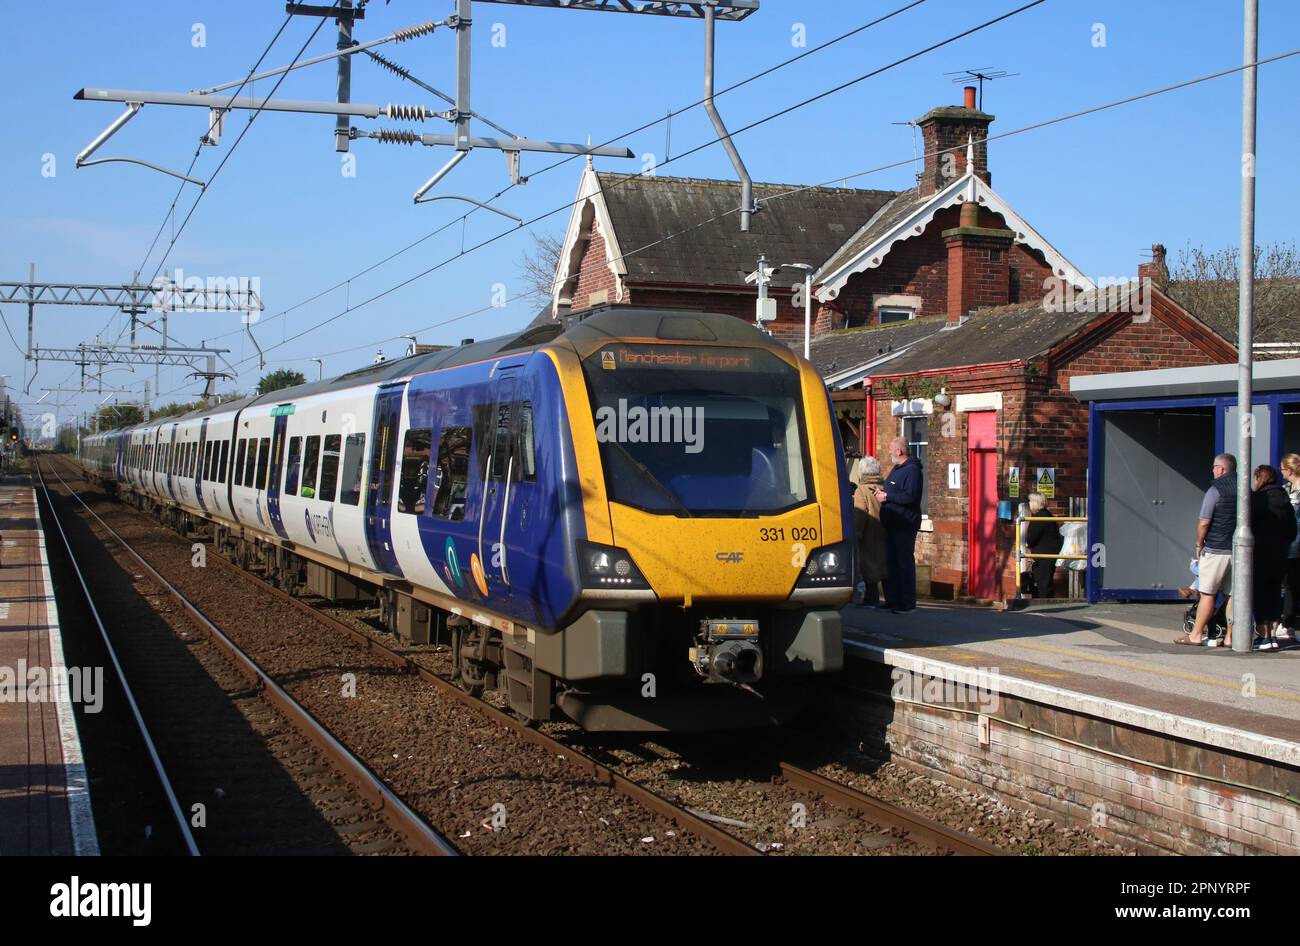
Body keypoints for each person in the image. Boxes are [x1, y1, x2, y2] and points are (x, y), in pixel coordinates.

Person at [1176, 453, 1236, 646]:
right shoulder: (1246, 489)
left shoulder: (1215, 490)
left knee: (1207, 593)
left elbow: (1204, 522)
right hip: (1239, 549)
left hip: (1216, 548)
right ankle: (1231, 636)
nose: (1212, 470)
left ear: (1222, 469)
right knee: (1233, 594)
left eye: (1214, 467)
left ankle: (1196, 634)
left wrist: (1199, 543)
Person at [873, 436, 923, 613]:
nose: (889, 453)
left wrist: (887, 497)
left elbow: (910, 497)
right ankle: (892, 600)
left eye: (891, 450)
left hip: (904, 524)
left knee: (904, 564)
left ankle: (907, 603)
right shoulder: (897, 468)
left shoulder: (913, 471)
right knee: (891, 564)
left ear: (899, 451)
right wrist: (883, 492)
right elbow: (894, 490)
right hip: (891, 524)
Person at [1251, 465, 1298, 651]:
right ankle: (1273, 635)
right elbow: (1292, 529)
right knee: (1274, 594)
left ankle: (1264, 636)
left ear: (1258, 478)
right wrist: (1283, 544)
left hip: (1261, 554)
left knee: (1260, 594)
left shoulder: (1258, 499)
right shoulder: (1284, 498)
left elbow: (1249, 524)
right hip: (1280, 555)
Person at [853, 456, 888, 606]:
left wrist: (857, 533)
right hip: (885, 532)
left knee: (869, 566)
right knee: (884, 565)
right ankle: (890, 599)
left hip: (869, 533)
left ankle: (871, 599)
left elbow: (860, 513)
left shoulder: (862, 490)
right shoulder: (884, 487)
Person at [1023, 492, 1064, 599]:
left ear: (1035, 503)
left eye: (1030, 501)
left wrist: (1028, 543)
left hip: (1044, 555)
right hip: (1047, 554)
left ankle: (1044, 603)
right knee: (1045, 581)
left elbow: (1032, 537)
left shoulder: (1039, 517)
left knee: (1043, 583)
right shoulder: (1047, 514)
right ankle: (1045, 601)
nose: (1029, 504)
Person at [1280, 453, 1300, 644]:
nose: (1281, 472)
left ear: (1289, 470)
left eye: (1283, 469)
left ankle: (1288, 624)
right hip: (1288, 542)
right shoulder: (1286, 489)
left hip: (1296, 543)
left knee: (1292, 585)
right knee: (1288, 584)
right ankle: (1287, 622)